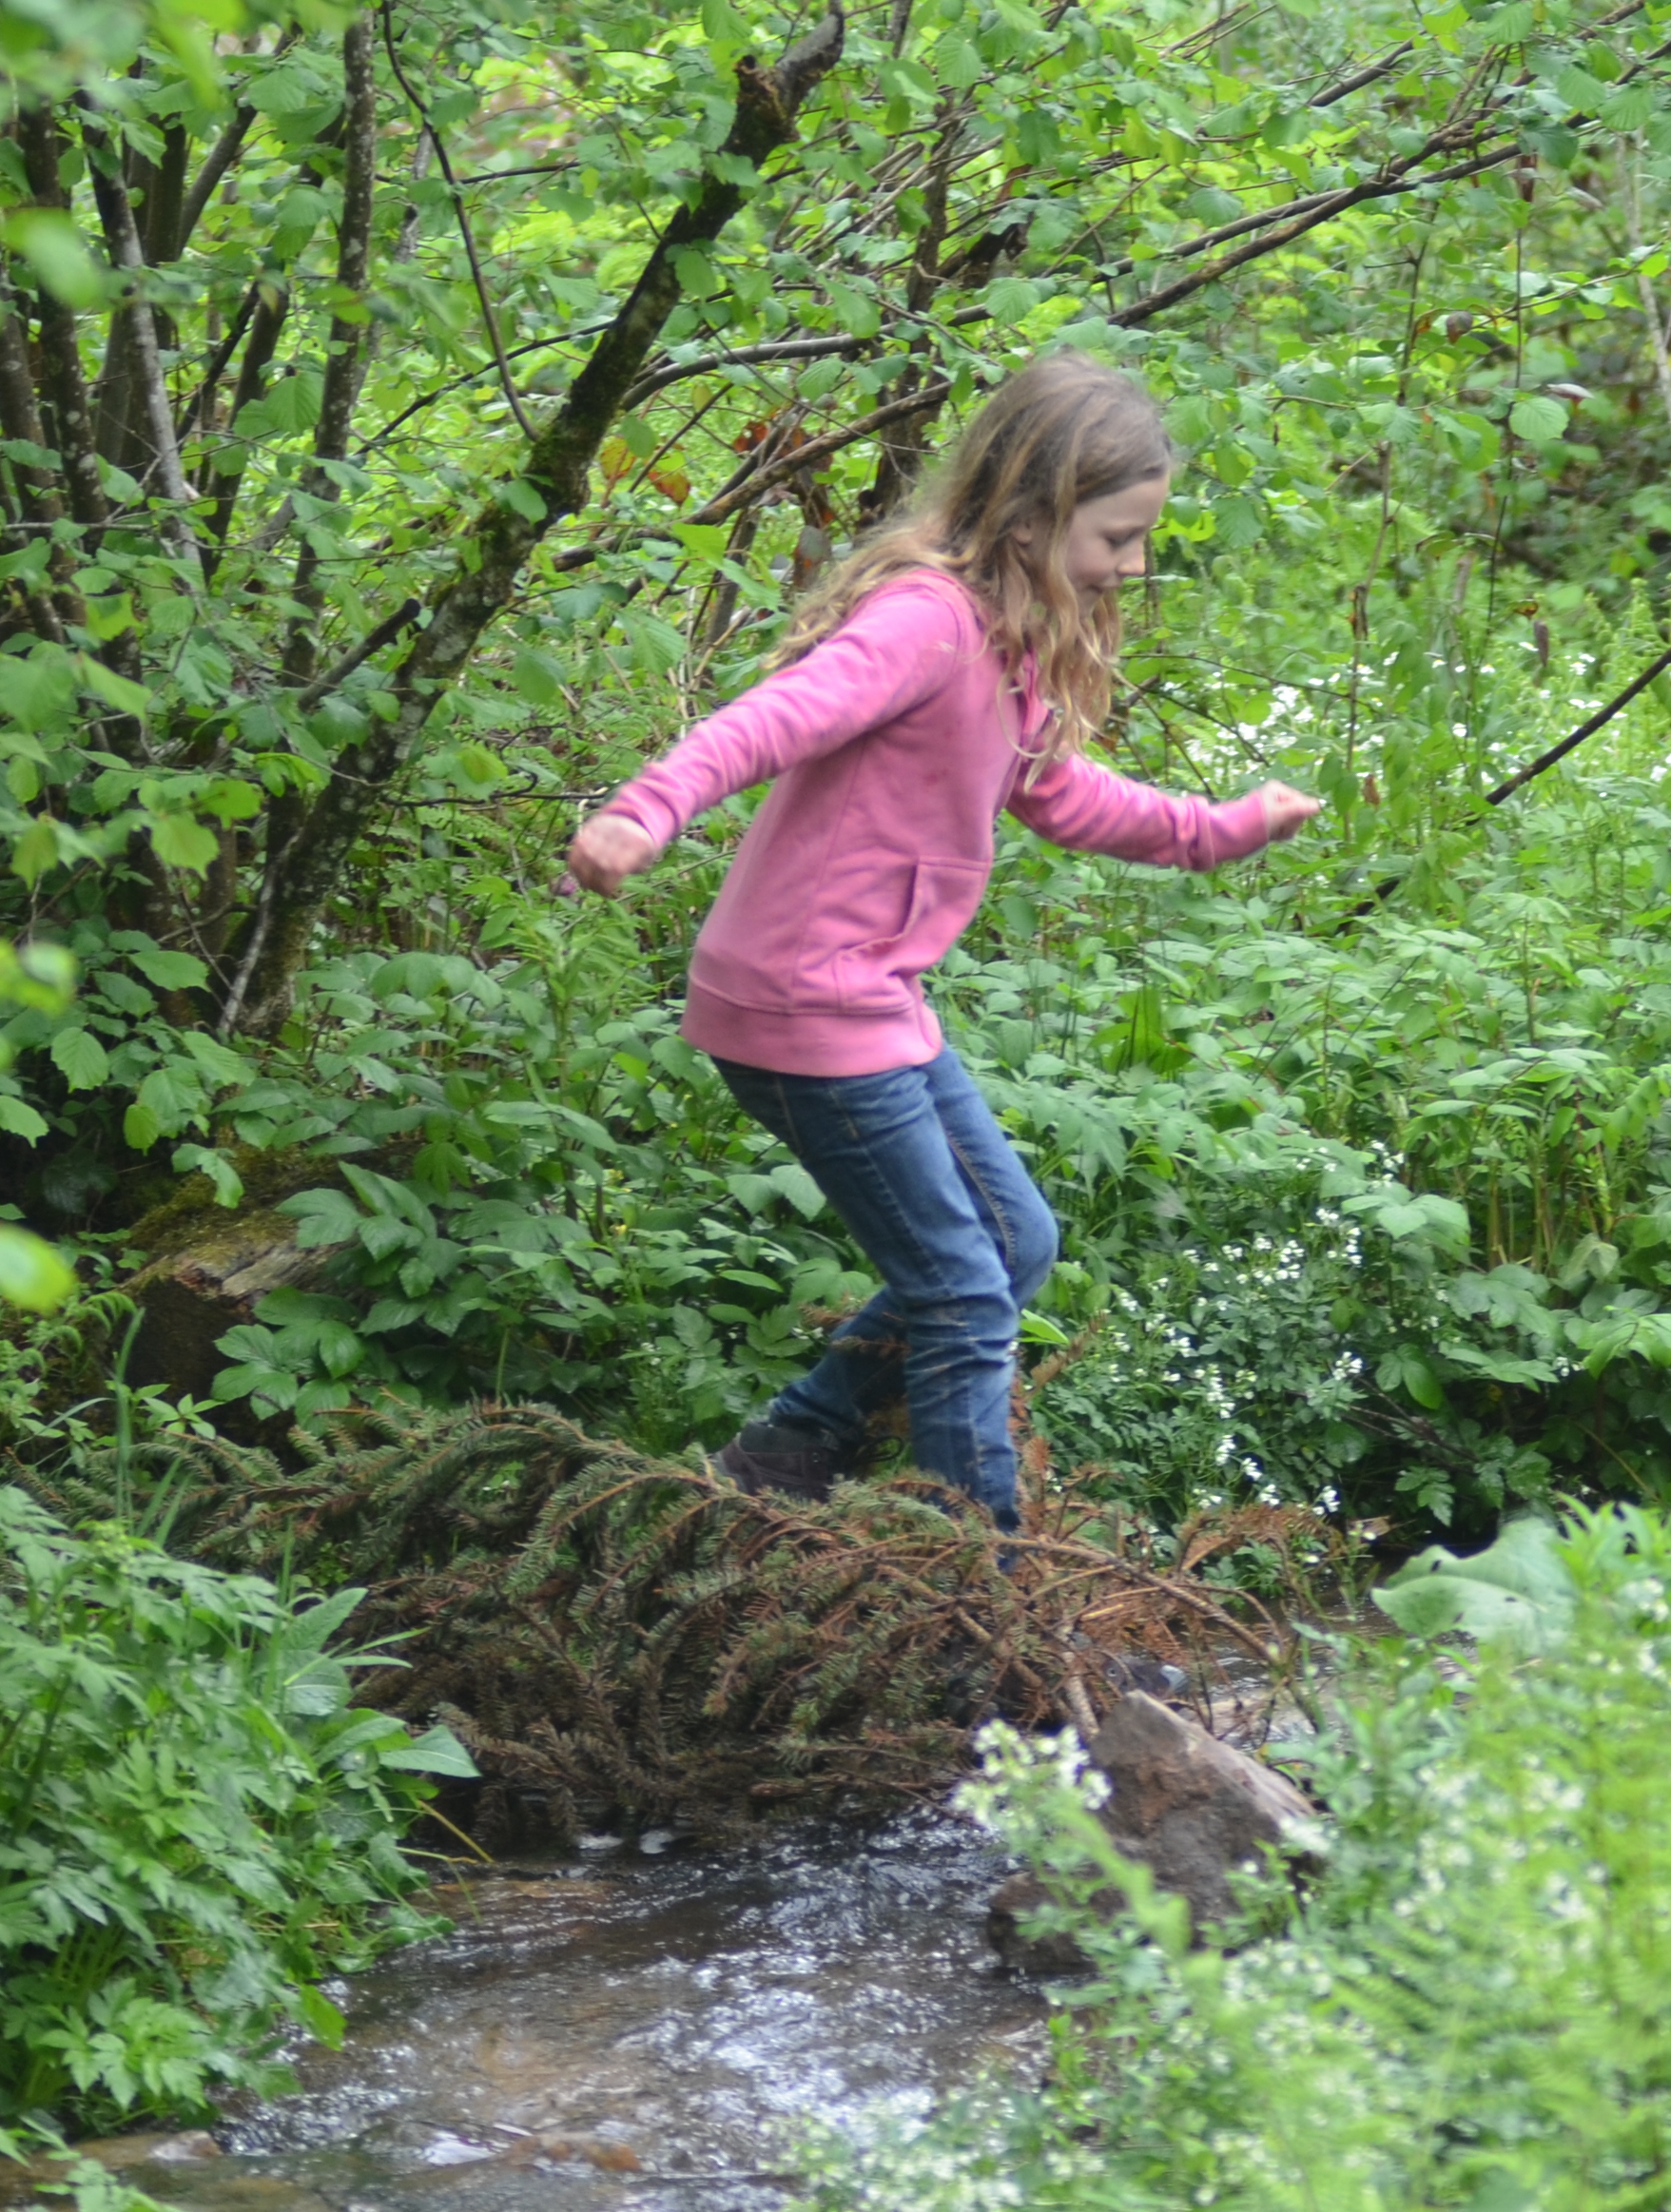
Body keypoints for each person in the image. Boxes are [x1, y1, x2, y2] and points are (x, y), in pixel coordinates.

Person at [562, 356, 1322, 1531]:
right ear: (1030, 513)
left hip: (868, 999)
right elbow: (775, 716)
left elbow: (1058, 794)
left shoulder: (1005, 642)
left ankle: (787, 1451)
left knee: (1015, 1241)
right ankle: (984, 1591)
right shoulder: (924, 621)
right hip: (801, 1005)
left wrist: (1213, 833)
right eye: (1116, 537)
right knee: (963, 1293)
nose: (1131, 566)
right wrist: (644, 808)